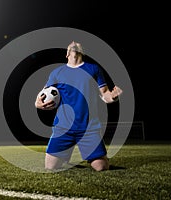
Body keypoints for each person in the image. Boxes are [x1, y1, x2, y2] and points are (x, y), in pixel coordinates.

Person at [35, 41, 122, 171]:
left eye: (77, 43)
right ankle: (65, 156)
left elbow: (105, 95)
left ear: (82, 51)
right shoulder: (57, 72)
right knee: (51, 167)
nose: (74, 42)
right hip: (63, 128)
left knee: (101, 167)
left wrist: (113, 97)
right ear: (66, 54)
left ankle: (99, 157)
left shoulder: (94, 69)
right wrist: (37, 103)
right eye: (71, 44)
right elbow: (43, 94)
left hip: (89, 128)